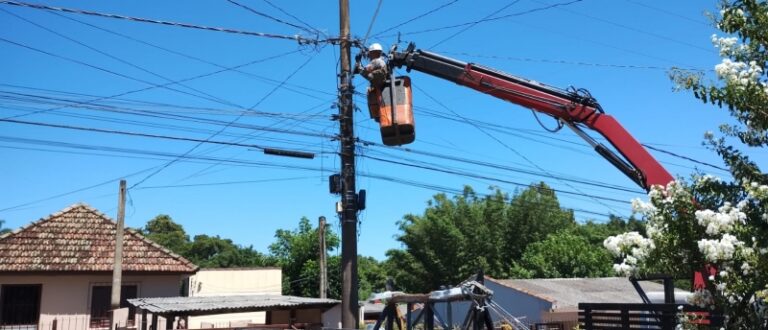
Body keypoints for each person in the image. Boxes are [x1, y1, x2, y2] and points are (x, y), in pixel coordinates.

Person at [355, 43, 389, 121]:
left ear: (374, 52)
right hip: (381, 82)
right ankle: (378, 113)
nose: (369, 55)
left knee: (369, 88)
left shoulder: (376, 61)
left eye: (370, 53)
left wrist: (358, 62)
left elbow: (365, 70)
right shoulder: (382, 61)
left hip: (377, 80)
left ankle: (376, 114)